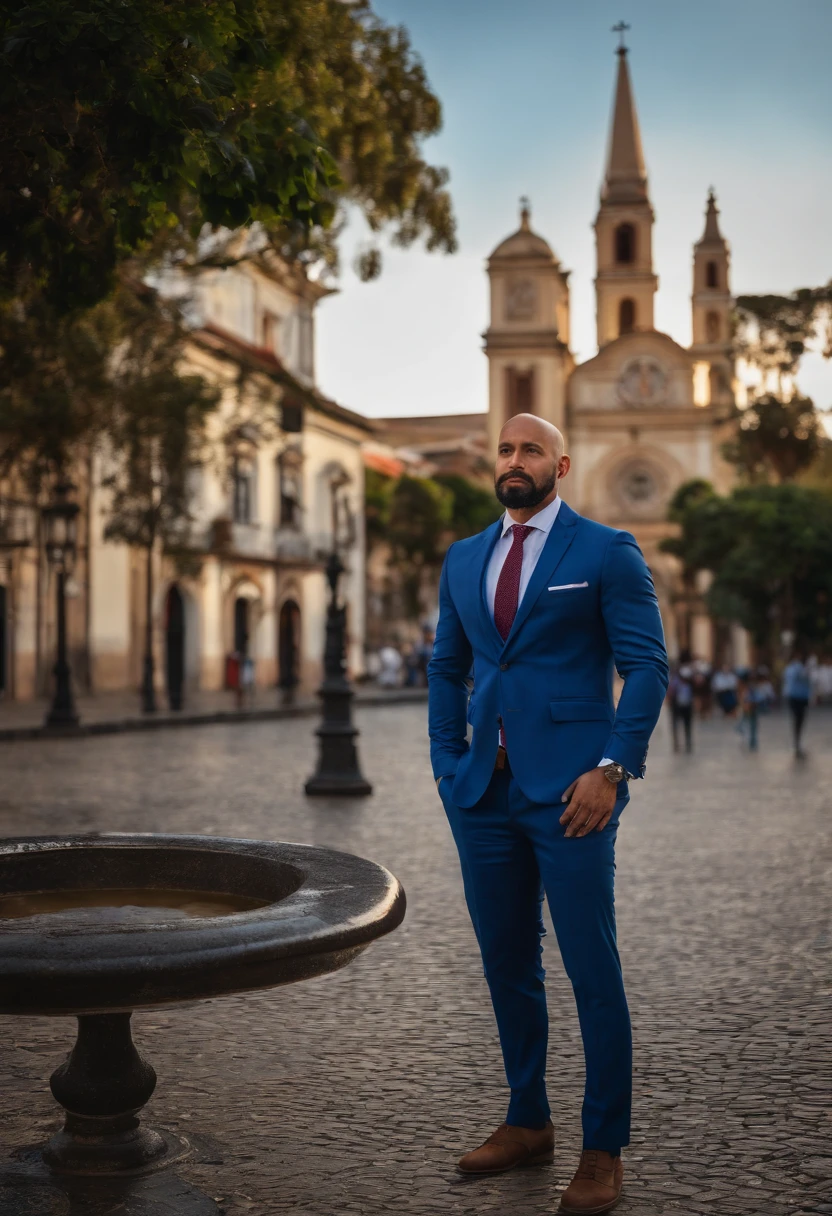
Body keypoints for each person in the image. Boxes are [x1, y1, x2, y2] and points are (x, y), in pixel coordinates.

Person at [428, 414, 668, 1215]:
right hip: (483, 797)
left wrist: (612, 768)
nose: (515, 460)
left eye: (531, 449)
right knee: (506, 964)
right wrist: (446, 765)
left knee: (591, 969)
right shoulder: (465, 558)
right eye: (505, 448)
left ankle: (603, 1149)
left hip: (574, 797)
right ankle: (528, 1118)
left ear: (560, 464)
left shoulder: (604, 551)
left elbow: (646, 668)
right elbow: (446, 669)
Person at [783, 648, 811, 758]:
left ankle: (797, 741)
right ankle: (797, 742)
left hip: (796, 696)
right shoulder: (797, 668)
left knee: (799, 720)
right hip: (798, 696)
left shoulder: (789, 668)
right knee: (799, 719)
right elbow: (803, 677)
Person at [668, 662, 695, 753]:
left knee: (687, 725)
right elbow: (671, 693)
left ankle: (688, 743)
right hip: (677, 706)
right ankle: (676, 744)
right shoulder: (675, 681)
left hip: (687, 707)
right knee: (675, 725)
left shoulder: (690, 683)